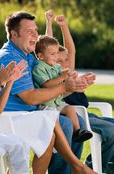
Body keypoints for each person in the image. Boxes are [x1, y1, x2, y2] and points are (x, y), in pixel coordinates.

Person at [0, 11, 97, 174]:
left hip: (29, 115)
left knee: (73, 121)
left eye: (35, 31)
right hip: (9, 119)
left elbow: (47, 80)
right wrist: (64, 87)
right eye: (29, 32)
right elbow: (30, 97)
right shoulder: (11, 58)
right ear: (14, 34)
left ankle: (73, 169)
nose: (35, 35)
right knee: (65, 123)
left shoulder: (26, 56)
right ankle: (73, 169)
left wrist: (74, 86)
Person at [51, 12, 114, 173]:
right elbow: (46, 44)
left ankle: (101, 166)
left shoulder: (68, 69)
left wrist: (64, 26)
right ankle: (95, 168)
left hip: (88, 115)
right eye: (59, 60)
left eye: (66, 59)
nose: (65, 62)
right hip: (77, 119)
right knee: (111, 131)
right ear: (50, 61)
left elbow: (70, 51)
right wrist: (49, 24)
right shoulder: (53, 76)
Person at [32, 35, 93, 142]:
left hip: (57, 102)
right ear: (40, 56)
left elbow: (66, 80)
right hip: (46, 105)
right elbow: (46, 85)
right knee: (58, 124)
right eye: (52, 54)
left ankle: (78, 131)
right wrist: (62, 77)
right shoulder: (39, 68)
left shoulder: (56, 66)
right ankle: (60, 144)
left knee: (70, 108)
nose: (56, 57)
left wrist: (74, 79)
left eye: (56, 53)